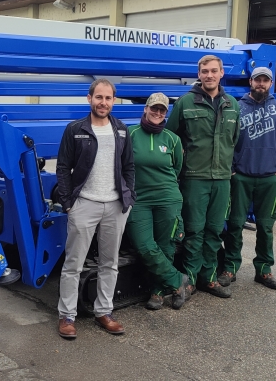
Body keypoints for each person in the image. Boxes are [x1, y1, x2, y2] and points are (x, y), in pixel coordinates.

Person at [55, 79, 135, 339]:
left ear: (114, 100)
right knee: (73, 263)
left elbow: (129, 167)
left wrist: (128, 198)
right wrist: (68, 203)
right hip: (84, 204)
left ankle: (104, 311)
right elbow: (63, 167)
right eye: (98, 97)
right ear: (89, 99)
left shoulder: (121, 130)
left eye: (108, 98)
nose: (103, 102)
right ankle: (67, 316)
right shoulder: (75, 129)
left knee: (109, 263)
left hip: (115, 205)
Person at [166, 55, 240, 299]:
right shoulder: (185, 103)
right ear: (199, 74)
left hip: (221, 179)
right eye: (205, 71)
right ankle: (189, 280)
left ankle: (208, 278)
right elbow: (171, 139)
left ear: (221, 73)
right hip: (194, 178)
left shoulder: (232, 105)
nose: (209, 75)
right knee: (194, 231)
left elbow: (234, 140)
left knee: (214, 231)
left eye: (214, 71)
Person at [217, 67, 276, 291]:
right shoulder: (237, 107)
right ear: (250, 81)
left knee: (266, 226)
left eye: (265, 81)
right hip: (241, 177)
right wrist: (232, 170)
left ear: (270, 84)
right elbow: (227, 140)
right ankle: (230, 267)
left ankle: (264, 270)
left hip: (269, 178)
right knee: (235, 224)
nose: (261, 84)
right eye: (257, 80)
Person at [126, 92, 191, 311]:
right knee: (143, 244)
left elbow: (177, 168)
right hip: (139, 199)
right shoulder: (130, 134)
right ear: (145, 109)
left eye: (162, 110)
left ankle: (158, 292)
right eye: (154, 108)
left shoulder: (173, 139)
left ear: (166, 113)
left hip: (167, 198)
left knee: (166, 246)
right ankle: (177, 280)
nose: (157, 112)